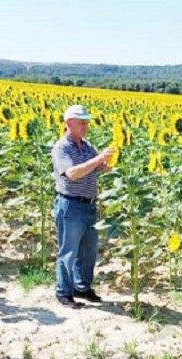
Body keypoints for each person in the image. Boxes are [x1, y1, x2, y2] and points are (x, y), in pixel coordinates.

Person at [51, 104, 115, 308]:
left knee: (88, 250)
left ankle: (82, 288)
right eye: (82, 122)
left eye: (87, 122)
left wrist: (109, 162)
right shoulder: (62, 147)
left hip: (89, 205)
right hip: (70, 205)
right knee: (68, 251)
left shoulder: (87, 146)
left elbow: (101, 168)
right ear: (69, 123)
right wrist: (98, 160)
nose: (86, 126)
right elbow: (72, 173)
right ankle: (64, 292)